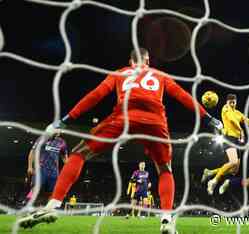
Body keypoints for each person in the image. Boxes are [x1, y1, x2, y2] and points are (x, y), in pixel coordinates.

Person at [18, 47, 222, 234]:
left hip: (123, 117)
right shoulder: (159, 75)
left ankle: (52, 206)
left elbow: (96, 95)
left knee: (80, 152)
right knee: (165, 169)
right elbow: (182, 95)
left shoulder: (120, 73)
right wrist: (208, 118)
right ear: (147, 60)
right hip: (155, 122)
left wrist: (66, 119)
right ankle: (167, 220)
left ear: (130, 61)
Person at [201, 93, 249, 195]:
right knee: (233, 162)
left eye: (233, 102)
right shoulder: (225, 108)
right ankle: (213, 181)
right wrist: (241, 130)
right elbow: (231, 119)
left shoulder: (238, 113)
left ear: (236, 102)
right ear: (227, 102)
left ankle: (210, 172)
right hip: (229, 138)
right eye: (229, 102)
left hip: (237, 141)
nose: (231, 104)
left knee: (234, 171)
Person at [24, 134, 68, 205]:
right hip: (41, 168)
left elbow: (64, 157)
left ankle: (47, 210)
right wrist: (30, 166)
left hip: (54, 171)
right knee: (35, 189)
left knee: (53, 192)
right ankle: (27, 207)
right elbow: (32, 152)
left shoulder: (62, 142)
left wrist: (67, 166)